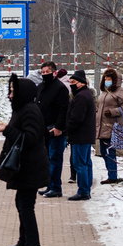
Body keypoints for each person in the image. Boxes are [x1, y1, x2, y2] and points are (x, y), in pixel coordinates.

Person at [0, 74, 49, 246]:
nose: (10, 95)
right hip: (25, 167)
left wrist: (7, 130)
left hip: (30, 167)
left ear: (21, 93)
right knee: (22, 204)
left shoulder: (30, 110)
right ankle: (24, 242)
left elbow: (30, 137)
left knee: (26, 206)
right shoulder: (22, 109)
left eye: (12, 91)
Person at [35, 61, 70, 198]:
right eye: (42, 72)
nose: (44, 75)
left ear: (54, 73)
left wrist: (59, 127)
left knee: (55, 158)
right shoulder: (41, 86)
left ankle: (56, 187)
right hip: (43, 128)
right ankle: (50, 185)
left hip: (55, 129)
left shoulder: (60, 88)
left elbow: (63, 109)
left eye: (47, 72)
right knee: (47, 159)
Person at [95, 67, 123, 184]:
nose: (107, 80)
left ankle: (112, 176)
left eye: (109, 78)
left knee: (110, 153)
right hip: (101, 126)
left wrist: (113, 111)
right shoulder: (104, 92)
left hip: (113, 127)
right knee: (104, 152)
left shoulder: (121, 92)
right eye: (105, 78)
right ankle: (111, 174)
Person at [66, 69, 96, 201]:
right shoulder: (86, 95)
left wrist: (68, 130)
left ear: (81, 83)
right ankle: (86, 189)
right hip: (86, 135)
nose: (71, 84)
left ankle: (83, 191)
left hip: (80, 136)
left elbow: (76, 118)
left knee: (80, 163)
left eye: (73, 82)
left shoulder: (81, 97)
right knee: (86, 163)